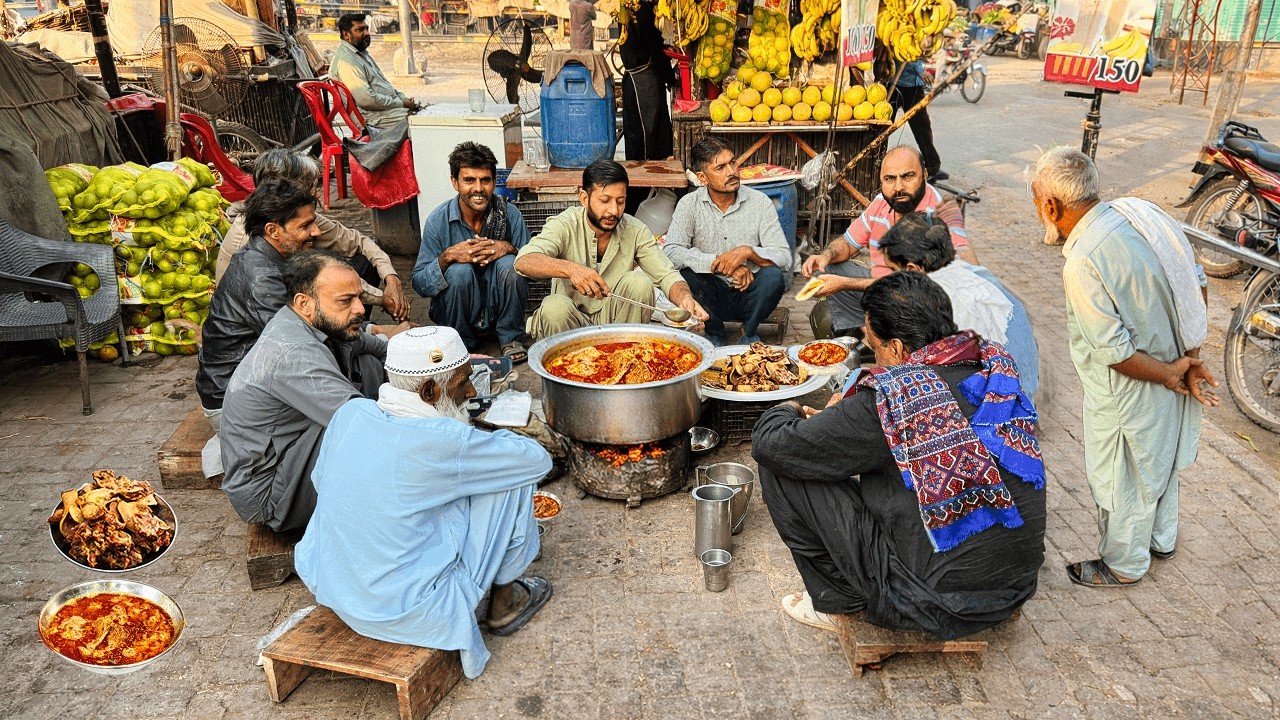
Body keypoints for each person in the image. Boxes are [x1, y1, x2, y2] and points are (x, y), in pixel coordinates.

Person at [753, 272, 1046, 639]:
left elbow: (771, 444)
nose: (871, 354)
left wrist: (791, 407)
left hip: (927, 604)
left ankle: (839, 600)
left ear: (896, 348)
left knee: (782, 463)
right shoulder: (995, 367)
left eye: (873, 345)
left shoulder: (893, 398)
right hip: (1014, 590)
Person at [295, 326, 553, 680]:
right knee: (511, 474)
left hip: (334, 588)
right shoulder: (445, 440)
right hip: (411, 613)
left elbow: (322, 482)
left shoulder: (350, 414)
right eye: (463, 382)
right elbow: (537, 461)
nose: (472, 391)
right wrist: (480, 438)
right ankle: (504, 607)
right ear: (430, 391)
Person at [1031, 147, 1218, 588]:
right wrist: (1188, 359)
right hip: (1171, 370)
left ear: (1052, 206)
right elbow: (1198, 284)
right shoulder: (1142, 213)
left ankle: (1123, 564)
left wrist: (1173, 372)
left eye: (1036, 200)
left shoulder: (1083, 261)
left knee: (1124, 475)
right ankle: (1161, 540)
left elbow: (1114, 351)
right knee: (1161, 458)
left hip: (1130, 386)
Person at [197, 180, 401, 422]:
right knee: (353, 414)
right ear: (273, 231)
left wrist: (377, 336)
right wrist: (381, 336)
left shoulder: (277, 258)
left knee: (367, 363)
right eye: (305, 225)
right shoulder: (262, 279)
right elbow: (308, 344)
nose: (316, 232)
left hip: (259, 380)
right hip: (234, 402)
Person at [220, 251, 390, 532]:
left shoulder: (315, 323)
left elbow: (371, 345)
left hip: (287, 457)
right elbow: (361, 421)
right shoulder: (294, 352)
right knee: (354, 424)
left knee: (367, 362)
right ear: (304, 303)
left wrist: (416, 358)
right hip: (270, 497)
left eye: (359, 297)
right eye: (346, 301)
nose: (360, 308)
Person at [515, 160, 708, 340]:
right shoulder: (565, 224)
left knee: (639, 283)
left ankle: (625, 363)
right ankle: (566, 374)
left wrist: (685, 298)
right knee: (553, 307)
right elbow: (524, 261)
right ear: (584, 198)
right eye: (605, 200)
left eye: (620, 201)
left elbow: (667, 275)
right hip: (569, 323)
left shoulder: (635, 229)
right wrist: (572, 269)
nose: (614, 211)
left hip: (616, 325)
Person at [215, 148, 411, 322]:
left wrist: (391, 279)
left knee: (358, 263)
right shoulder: (257, 258)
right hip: (265, 336)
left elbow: (357, 241)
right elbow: (294, 326)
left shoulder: (298, 218)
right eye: (309, 187)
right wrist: (378, 317)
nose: (316, 194)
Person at [802, 146, 976, 338]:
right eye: (890, 179)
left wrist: (844, 284)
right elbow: (847, 243)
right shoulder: (881, 203)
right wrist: (824, 256)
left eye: (907, 176)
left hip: (916, 303)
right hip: (883, 287)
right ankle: (870, 337)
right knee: (827, 269)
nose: (898, 187)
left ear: (925, 175)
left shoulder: (939, 212)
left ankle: (900, 343)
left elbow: (966, 262)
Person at [878, 211, 1040, 397]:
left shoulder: (946, 301)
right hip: (1023, 387)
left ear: (913, 269)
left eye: (893, 271)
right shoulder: (968, 272)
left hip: (1004, 401)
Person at [662, 137, 789, 346]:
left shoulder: (760, 203)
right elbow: (671, 251)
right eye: (720, 167)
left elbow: (784, 256)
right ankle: (714, 330)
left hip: (749, 293)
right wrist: (719, 263)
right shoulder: (689, 204)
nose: (731, 172)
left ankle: (748, 330)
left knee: (774, 277)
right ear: (702, 178)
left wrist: (748, 252)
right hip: (711, 294)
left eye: (733, 162)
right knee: (685, 276)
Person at [412, 142, 533, 362]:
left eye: (485, 180)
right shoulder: (438, 221)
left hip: (498, 313)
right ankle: (459, 344)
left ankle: (510, 338)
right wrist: (447, 257)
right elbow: (419, 284)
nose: (478, 188)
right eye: (469, 180)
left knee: (511, 264)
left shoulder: (510, 215)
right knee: (459, 273)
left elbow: (534, 267)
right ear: (454, 182)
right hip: (455, 318)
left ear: (494, 182)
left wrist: (509, 248)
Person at [619, 0, 675, 213]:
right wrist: (670, 76)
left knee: (641, 139)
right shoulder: (641, 11)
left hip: (639, 78)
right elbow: (655, 47)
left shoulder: (630, 10)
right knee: (645, 140)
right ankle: (639, 200)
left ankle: (640, 199)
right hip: (643, 80)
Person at [329, 13, 423, 130]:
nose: (367, 33)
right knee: (423, 122)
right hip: (373, 118)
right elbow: (366, 100)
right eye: (360, 30)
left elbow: (384, 85)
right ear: (346, 34)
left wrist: (402, 99)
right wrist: (401, 103)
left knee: (426, 113)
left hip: (384, 111)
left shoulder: (361, 54)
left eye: (367, 29)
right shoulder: (347, 61)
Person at [891, 59, 946, 181]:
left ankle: (933, 167)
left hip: (915, 87)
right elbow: (903, 54)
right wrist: (920, 70)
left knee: (922, 127)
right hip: (895, 85)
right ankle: (876, 165)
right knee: (883, 128)